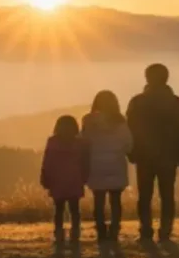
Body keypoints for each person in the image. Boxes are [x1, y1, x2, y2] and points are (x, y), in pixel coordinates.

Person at [126, 63, 179, 242]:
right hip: (169, 157)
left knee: (144, 196)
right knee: (167, 195)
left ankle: (146, 230)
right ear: (166, 78)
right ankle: (165, 232)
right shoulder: (176, 102)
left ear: (147, 78)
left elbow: (130, 129)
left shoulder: (137, 101)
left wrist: (131, 153)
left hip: (144, 157)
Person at [81, 90, 133, 241]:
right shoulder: (120, 121)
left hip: (96, 164)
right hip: (116, 164)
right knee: (115, 200)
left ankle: (101, 229)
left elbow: (83, 141)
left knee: (99, 199)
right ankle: (115, 229)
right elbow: (129, 144)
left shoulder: (88, 120)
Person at [40, 115, 89, 244]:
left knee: (59, 209)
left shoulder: (52, 141)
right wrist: (85, 177)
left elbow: (47, 161)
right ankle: (75, 232)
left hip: (57, 180)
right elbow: (84, 162)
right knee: (74, 209)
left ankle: (59, 232)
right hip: (74, 178)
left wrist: (45, 177)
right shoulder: (79, 143)